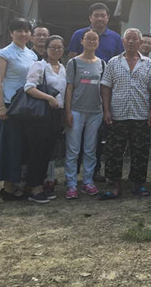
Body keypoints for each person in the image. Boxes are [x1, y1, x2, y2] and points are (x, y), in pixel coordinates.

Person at [67, 2, 124, 182]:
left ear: (108, 18)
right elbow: (71, 63)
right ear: (90, 17)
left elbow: (119, 63)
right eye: (96, 15)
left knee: (97, 138)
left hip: (102, 96)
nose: (99, 18)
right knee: (75, 141)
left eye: (103, 15)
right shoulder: (79, 35)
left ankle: (93, 173)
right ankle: (73, 175)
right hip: (80, 95)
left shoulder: (115, 38)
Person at [100, 28, 151, 199]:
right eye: (128, 39)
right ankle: (115, 185)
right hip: (118, 114)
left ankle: (138, 185)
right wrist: (106, 110)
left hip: (140, 113)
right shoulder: (113, 62)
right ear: (123, 42)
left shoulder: (147, 63)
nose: (131, 42)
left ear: (140, 42)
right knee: (114, 151)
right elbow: (106, 87)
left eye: (135, 39)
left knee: (140, 151)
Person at [0, 17, 37, 200]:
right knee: (9, 146)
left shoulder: (31, 54)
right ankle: (8, 188)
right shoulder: (3, 53)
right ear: (11, 33)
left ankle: (19, 184)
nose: (23, 34)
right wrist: (1, 107)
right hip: (8, 105)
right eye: (19, 30)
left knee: (22, 146)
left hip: (25, 106)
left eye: (26, 30)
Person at [23, 35, 67, 203]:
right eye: (52, 47)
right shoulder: (40, 66)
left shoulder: (63, 68)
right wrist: (49, 98)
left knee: (47, 151)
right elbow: (29, 87)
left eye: (59, 47)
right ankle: (33, 188)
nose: (56, 50)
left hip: (56, 115)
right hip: (40, 115)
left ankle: (40, 185)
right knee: (37, 151)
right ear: (46, 49)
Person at [64, 29, 105, 200]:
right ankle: (71, 184)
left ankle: (88, 181)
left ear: (98, 42)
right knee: (73, 149)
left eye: (95, 39)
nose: (91, 41)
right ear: (81, 41)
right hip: (76, 110)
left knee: (90, 149)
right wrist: (68, 112)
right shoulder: (73, 63)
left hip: (96, 112)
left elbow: (104, 88)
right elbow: (69, 88)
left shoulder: (102, 63)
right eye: (88, 38)